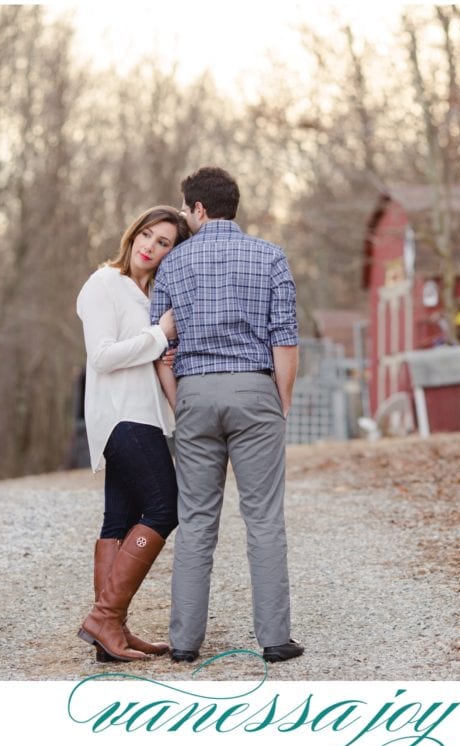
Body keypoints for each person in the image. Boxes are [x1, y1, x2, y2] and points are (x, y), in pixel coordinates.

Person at [150, 166, 304, 664]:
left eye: (185, 209)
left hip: (195, 391)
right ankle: (275, 640)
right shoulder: (270, 257)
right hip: (255, 389)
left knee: (195, 520)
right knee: (263, 517)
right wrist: (280, 401)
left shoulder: (172, 266)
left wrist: (179, 399)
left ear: (198, 209)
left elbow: (160, 346)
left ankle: (184, 643)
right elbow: (285, 339)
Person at [75, 205, 190, 662]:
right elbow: (102, 356)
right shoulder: (104, 283)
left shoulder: (152, 296)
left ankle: (111, 632)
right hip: (121, 416)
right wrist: (160, 336)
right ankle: (105, 616)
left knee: (118, 522)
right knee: (167, 506)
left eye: (164, 243)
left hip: (145, 416)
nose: (151, 247)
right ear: (132, 234)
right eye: (147, 235)